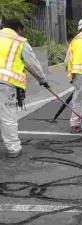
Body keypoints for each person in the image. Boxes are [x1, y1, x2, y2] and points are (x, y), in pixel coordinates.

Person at [0, 19, 49, 158]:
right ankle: (13, 148)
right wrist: (42, 80)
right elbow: (33, 64)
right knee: (8, 117)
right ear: (19, 29)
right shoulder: (19, 42)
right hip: (4, 83)